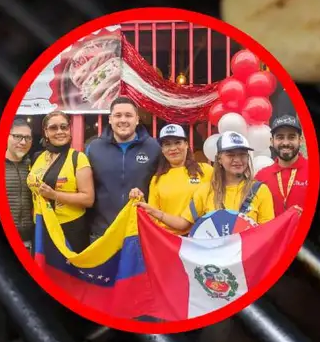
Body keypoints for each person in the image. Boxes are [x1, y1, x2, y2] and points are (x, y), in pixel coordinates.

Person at [137, 131, 276, 233]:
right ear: (219, 159)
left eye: (242, 155)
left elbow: (268, 233)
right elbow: (183, 224)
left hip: (248, 263)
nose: (237, 160)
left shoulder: (260, 190)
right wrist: (156, 212)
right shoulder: (205, 191)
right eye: (231, 155)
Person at [85, 97, 161, 242]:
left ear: (137, 119)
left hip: (140, 232)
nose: (123, 120)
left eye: (128, 115)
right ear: (110, 119)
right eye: (118, 115)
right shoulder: (93, 148)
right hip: (102, 233)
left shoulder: (154, 147)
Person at [127, 124, 213, 235]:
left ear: (186, 144)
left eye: (178, 143)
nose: (173, 148)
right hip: (169, 242)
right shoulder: (157, 180)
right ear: (162, 150)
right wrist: (141, 201)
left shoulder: (206, 171)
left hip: (201, 238)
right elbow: (153, 217)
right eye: (167, 144)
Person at [27, 111, 94, 252]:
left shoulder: (78, 158)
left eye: (64, 127)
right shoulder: (37, 157)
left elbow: (88, 199)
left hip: (69, 229)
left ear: (69, 130)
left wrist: (55, 195)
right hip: (41, 226)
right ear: (45, 132)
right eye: (53, 128)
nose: (60, 131)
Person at [255, 114, 310, 217]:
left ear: (300, 140)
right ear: (272, 141)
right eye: (280, 137)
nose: (285, 142)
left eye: (291, 137)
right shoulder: (261, 176)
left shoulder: (314, 172)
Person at [5, 118, 35, 252]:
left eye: (28, 138)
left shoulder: (34, 166)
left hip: (28, 242)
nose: (23, 142)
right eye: (17, 136)